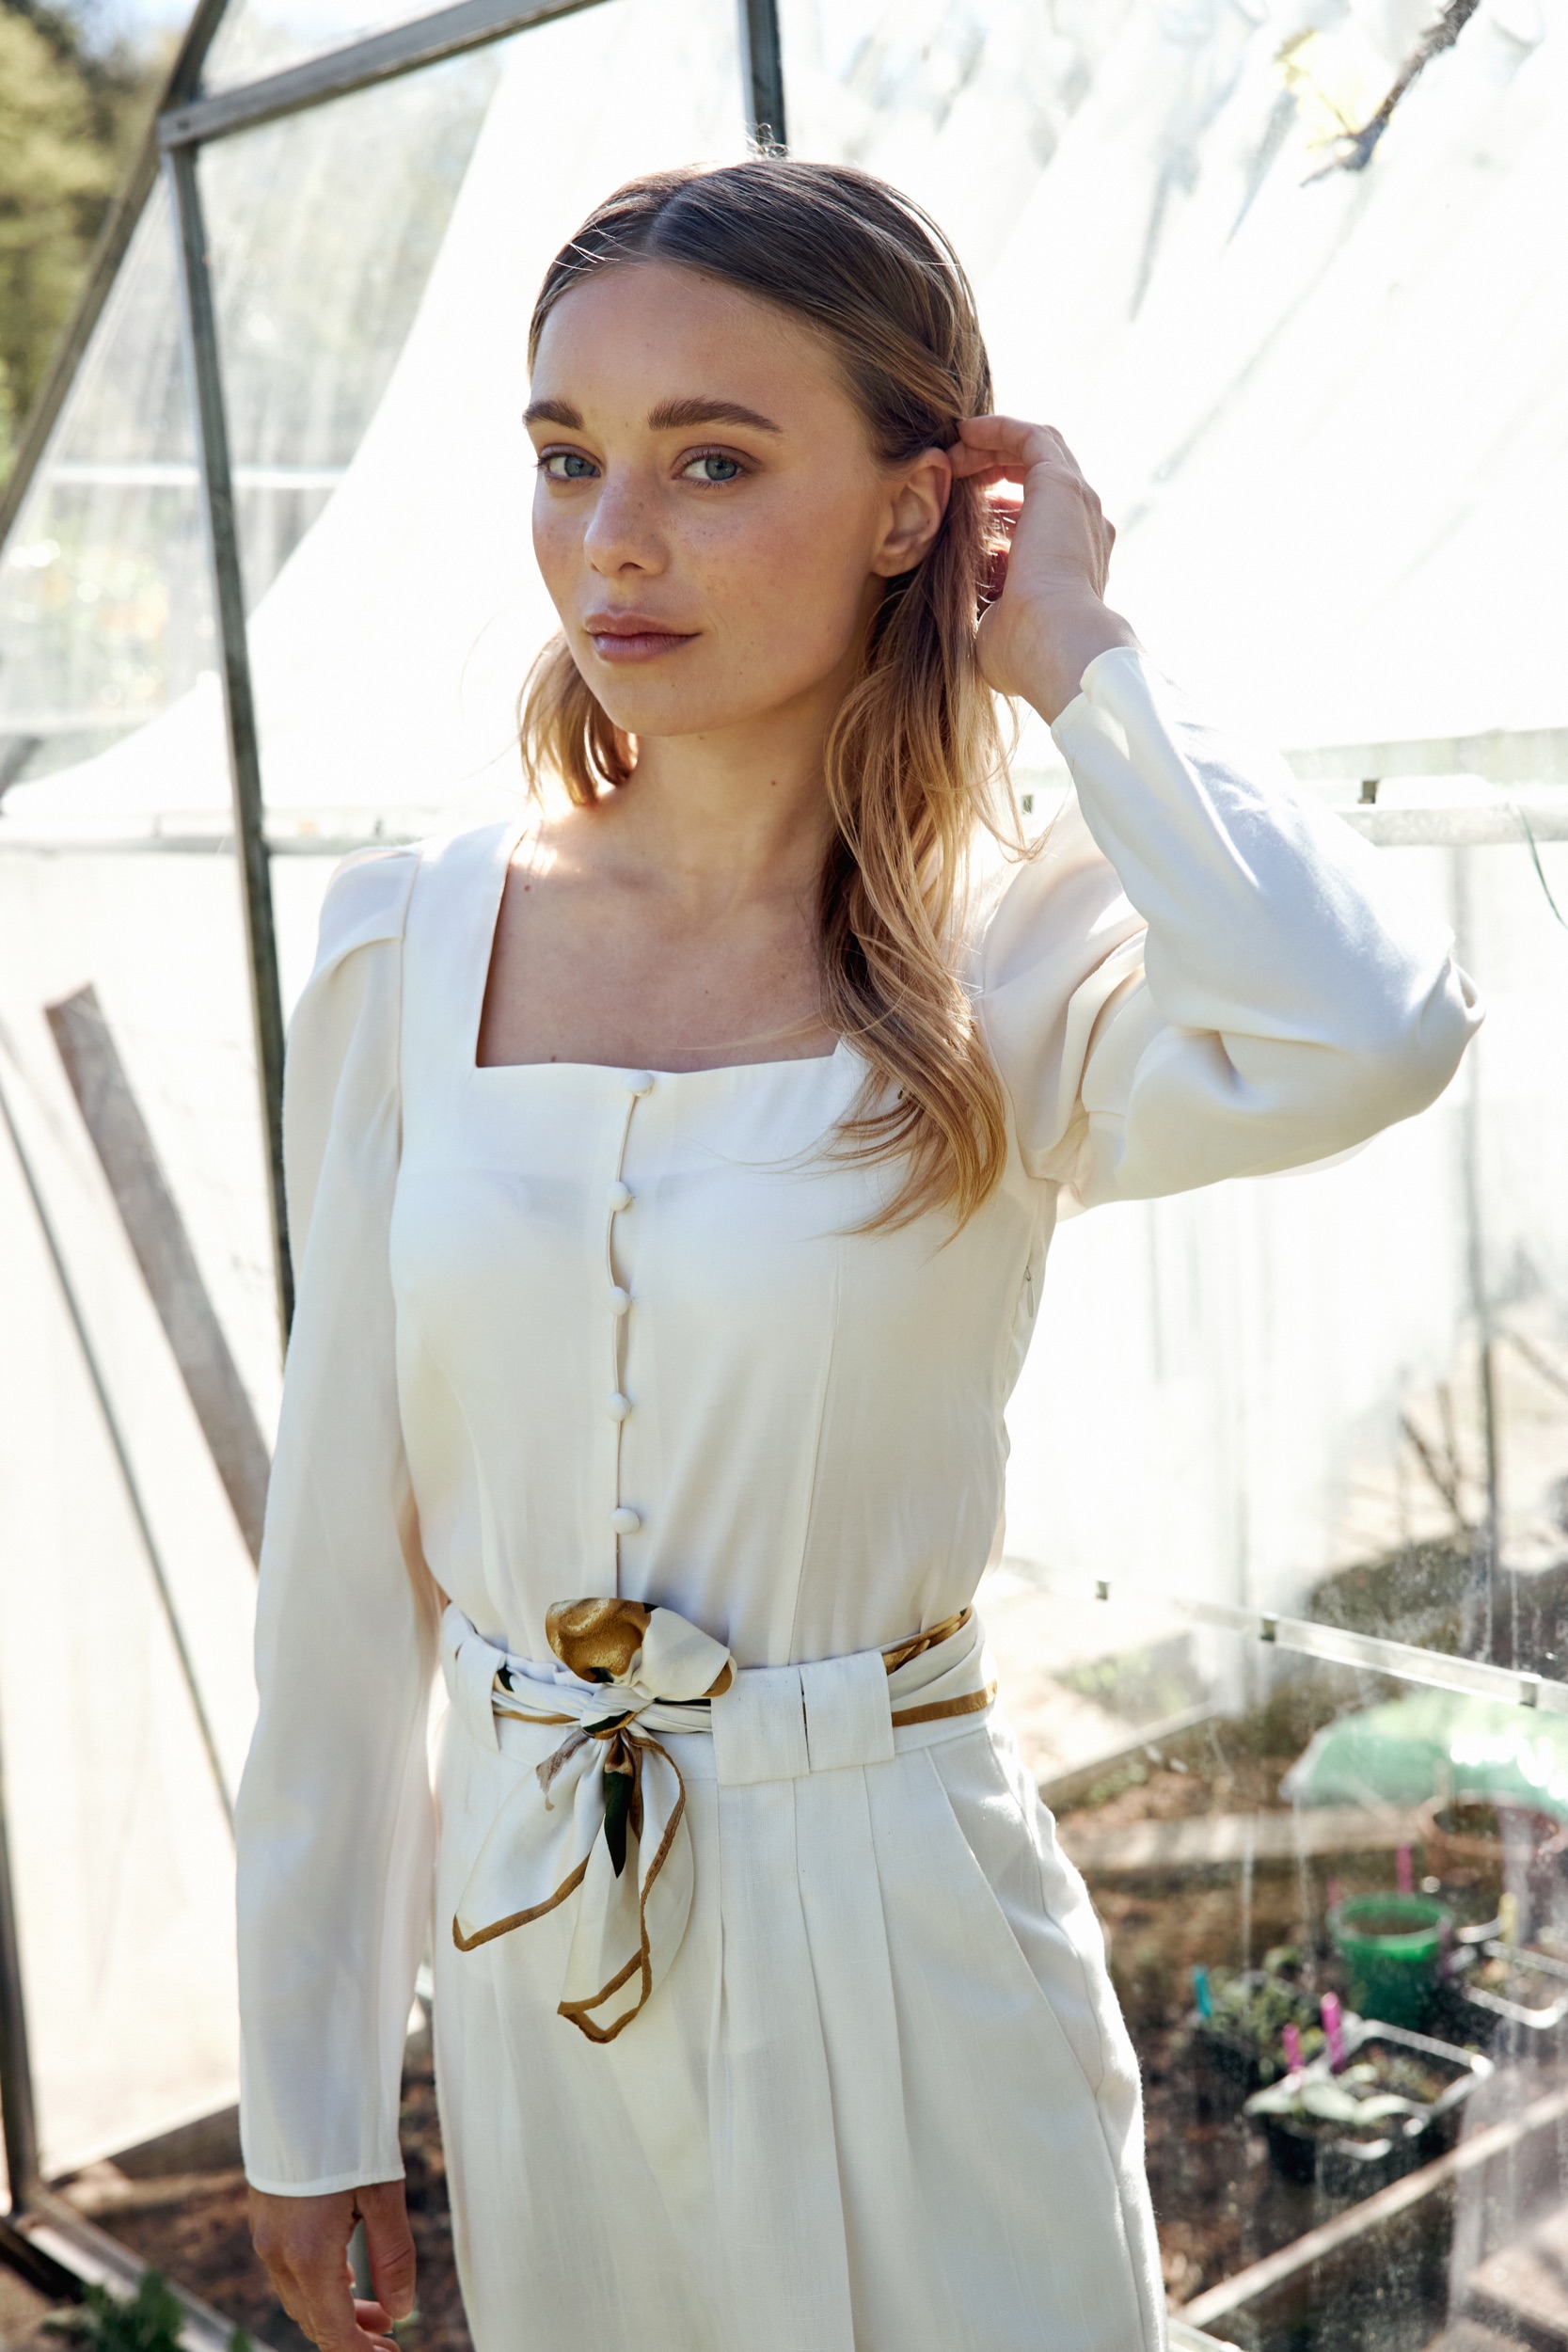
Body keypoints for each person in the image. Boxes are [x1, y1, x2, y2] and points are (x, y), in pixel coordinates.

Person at [237, 159, 1479, 2352]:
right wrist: (313, 2078)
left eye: (712, 460)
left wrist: (1072, 646)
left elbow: (1372, 1029)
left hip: (917, 1939)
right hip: (545, 1967)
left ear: (917, 507)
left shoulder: (1020, 939)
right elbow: (342, 1566)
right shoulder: (404, 942)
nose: (614, 537)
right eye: (567, 456)